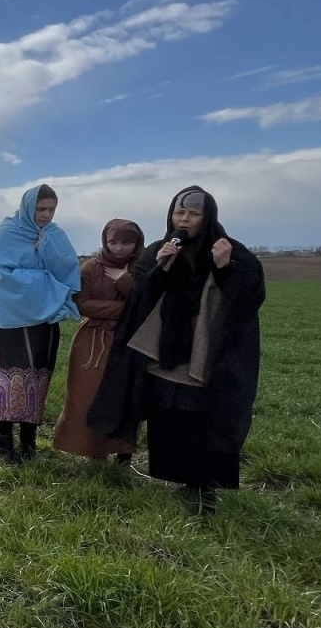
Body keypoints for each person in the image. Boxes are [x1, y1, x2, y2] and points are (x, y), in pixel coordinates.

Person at [89, 186, 265, 513]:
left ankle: (202, 486)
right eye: (179, 212)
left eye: (193, 213)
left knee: (203, 415)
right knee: (169, 411)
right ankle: (174, 474)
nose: (184, 219)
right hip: (164, 350)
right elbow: (140, 295)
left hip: (206, 350)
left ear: (208, 216)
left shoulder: (232, 251)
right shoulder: (161, 248)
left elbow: (250, 300)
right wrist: (159, 268)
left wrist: (226, 267)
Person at [0, 184, 80, 464]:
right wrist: (44, 280)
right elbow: (1, 277)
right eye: (41, 209)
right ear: (29, 207)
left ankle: (29, 444)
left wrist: (46, 269)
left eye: (51, 209)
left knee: (34, 380)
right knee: (4, 382)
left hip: (41, 321)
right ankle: (4, 444)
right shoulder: (8, 232)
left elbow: (67, 274)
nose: (46, 215)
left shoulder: (55, 235)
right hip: (4, 320)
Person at [54, 220, 144, 463]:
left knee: (124, 397)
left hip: (128, 343)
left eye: (126, 242)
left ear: (137, 243)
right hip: (92, 343)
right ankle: (94, 450)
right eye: (113, 242)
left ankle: (124, 454)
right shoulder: (91, 267)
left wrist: (125, 281)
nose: (119, 248)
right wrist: (126, 308)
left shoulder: (144, 267)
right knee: (88, 397)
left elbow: (146, 305)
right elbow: (82, 304)